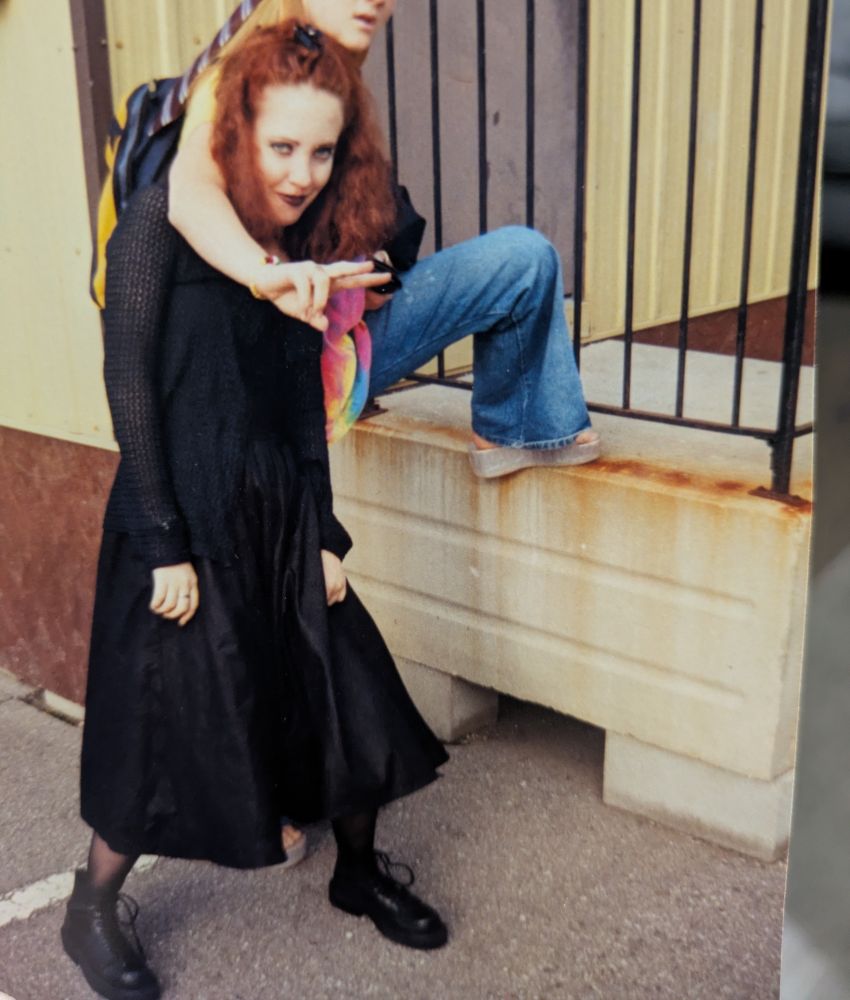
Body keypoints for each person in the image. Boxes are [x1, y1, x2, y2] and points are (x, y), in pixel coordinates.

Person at [62, 23, 449, 1000]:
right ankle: (93, 906)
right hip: (177, 524)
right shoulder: (160, 219)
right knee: (162, 726)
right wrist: (163, 543)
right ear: (232, 133)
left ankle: (356, 873)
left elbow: (298, 413)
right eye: (283, 147)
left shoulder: (302, 253)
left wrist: (322, 533)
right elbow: (129, 384)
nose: (304, 172)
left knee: (351, 694)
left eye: (323, 151)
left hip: (279, 517)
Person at [168, 0, 601, 480]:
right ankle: (523, 427)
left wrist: (364, 265)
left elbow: (376, 216)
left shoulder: (330, 77)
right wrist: (269, 275)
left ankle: (521, 429)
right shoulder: (238, 79)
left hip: (333, 338)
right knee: (522, 260)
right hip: (272, 371)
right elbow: (188, 189)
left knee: (523, 258)